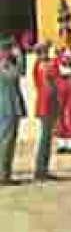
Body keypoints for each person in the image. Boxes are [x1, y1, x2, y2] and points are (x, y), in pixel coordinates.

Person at [31, 35, 59, 180]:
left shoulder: (43, 64)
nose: (47, 53)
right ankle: (40, 169)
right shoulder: (42, 65)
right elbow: (49, 85)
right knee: (45, 138)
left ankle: (43, 168)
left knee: (47, 138)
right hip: (46, 104)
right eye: (45, 50)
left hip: (47, 104)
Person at [0, 37, 25, 185]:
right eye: (8, 49)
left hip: (9, 106)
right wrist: (19, 56)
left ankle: (6, 173)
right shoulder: (4, 65)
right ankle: (3, 175)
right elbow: (18, 73)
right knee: (6, 141)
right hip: (6, 107)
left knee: (9, 141)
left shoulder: (7, 63)